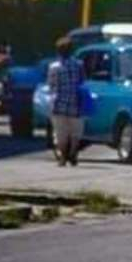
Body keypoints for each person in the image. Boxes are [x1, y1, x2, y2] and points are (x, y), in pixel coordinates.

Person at [46, 37, 86, 167]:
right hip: (76, 102)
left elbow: (51, 85)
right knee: (75, 132)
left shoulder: (53, 67)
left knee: (60, 133)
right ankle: (73, 153)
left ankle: (63, 156)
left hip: (58, 104)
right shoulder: (79, 65)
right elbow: (82, 82)